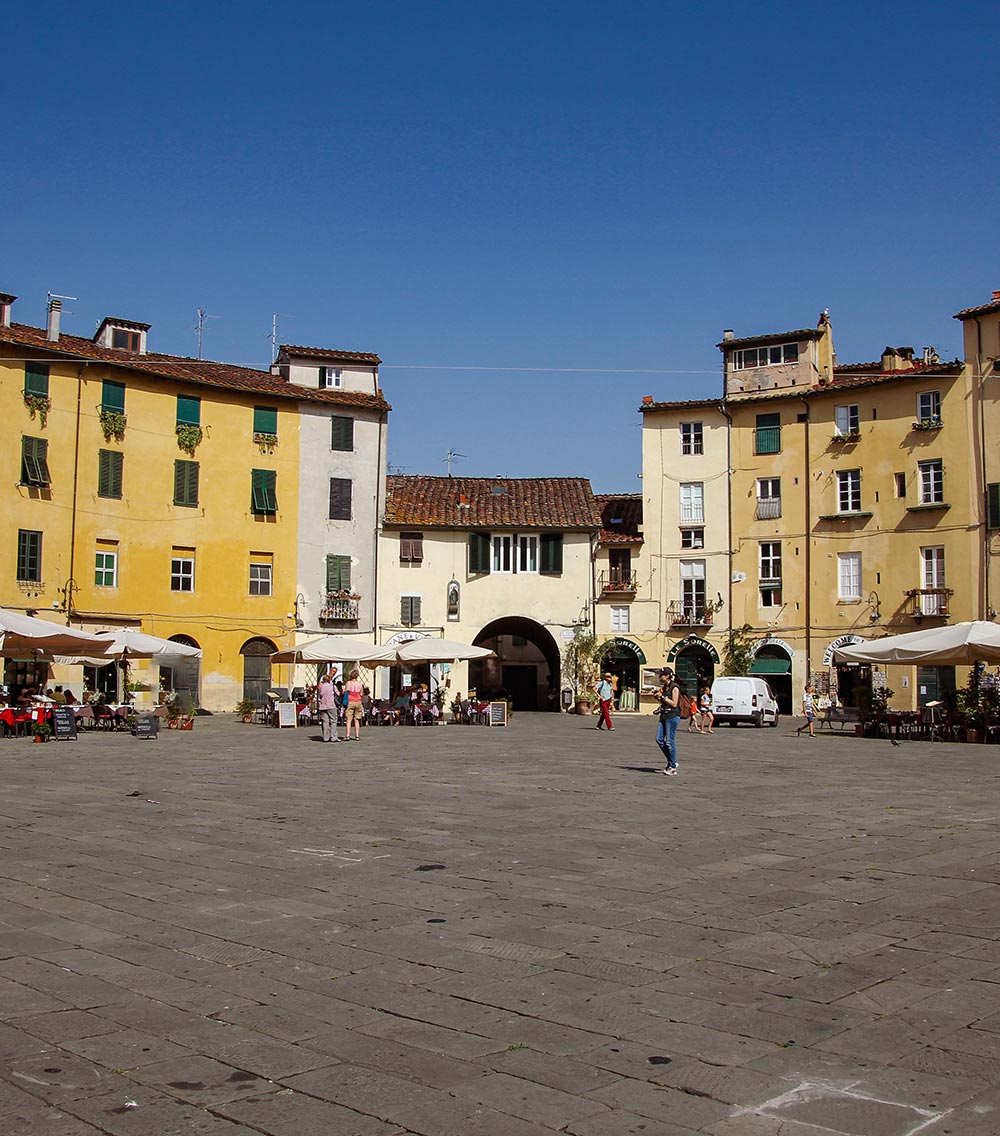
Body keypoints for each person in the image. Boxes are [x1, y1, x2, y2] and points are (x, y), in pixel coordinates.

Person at [655, 667, 681, 775]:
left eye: (661, 675)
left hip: (672, 716)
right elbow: (664, 700)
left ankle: (673, 767)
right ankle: (672, 761)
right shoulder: (665, 687)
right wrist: (658, 697)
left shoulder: (674, 687)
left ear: (667, 676)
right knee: (659, 739)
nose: (659, 676)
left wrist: (663, 697)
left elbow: (674, 703)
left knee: (670, 741)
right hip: (664, 715)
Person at [316, 671, 339, 742]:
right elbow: (338, 693)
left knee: (325, 722)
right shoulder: (332, 686)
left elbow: (319, 694)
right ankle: (333, 737)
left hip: (322, 705)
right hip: (331, 705)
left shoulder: (321, 686)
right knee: (333, 721)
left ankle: (325, 737)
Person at [344, 668, 364, 740]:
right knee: (357, 719)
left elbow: (346, 692)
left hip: (350, 701)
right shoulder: (360, 684)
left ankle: (348, 735)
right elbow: (361, 694)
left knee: (349, 719)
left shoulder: (348, 683)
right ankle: (357, 736)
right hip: (358, 702)